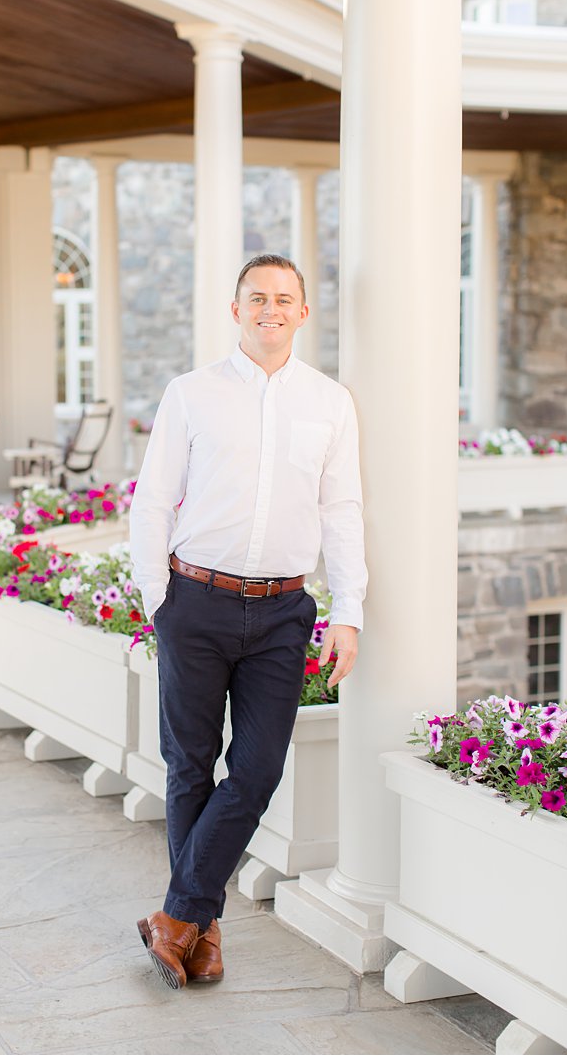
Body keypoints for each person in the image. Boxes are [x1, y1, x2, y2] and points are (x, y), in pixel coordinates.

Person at [128, 253, 365, 989]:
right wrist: (156, 598)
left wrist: (348, 609)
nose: (271, 308)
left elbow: (341, 510)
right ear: (236, 310)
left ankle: (177, 914)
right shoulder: (191, 394)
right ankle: (201, 933)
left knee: (257, 768)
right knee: (189, 766)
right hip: (193, 601)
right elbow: (153, 499)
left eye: (284, 298)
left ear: (302, 312)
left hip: (283, 611)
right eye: (257, 297)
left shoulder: (330, 403)